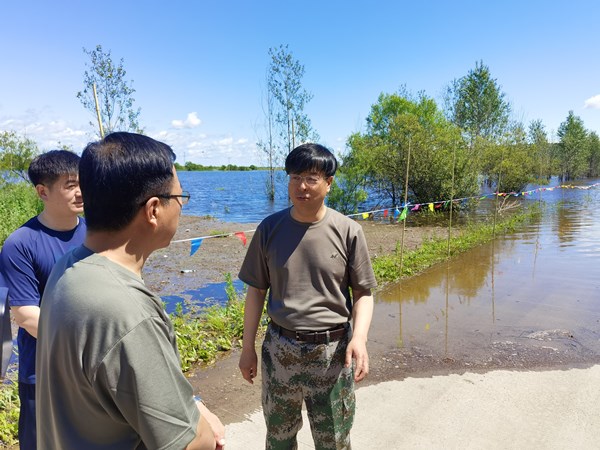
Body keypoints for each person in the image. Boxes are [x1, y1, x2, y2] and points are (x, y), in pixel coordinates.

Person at [36, 132, 225, 449]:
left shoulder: (69, 266)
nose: (182, 207)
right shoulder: (127, 312)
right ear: (154, 210)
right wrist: (205, 426)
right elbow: (190, 444)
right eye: (179, 197)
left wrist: (191, 405)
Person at [238, 143, 377, 449]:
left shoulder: (349, 231)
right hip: (280, 348)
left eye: (311, 178)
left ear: (329, 183)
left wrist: (360, 338)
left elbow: (363, 292)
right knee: (279, 439)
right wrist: (247, 348)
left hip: (332, 353)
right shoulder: (269, 229)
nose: (301, 186)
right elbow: (256, 291)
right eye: (295, 177)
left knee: (334, 441)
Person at [0, 150, 86, 450]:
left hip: (93, 371)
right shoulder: (20, 243)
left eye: (83, 182)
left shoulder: (98, 233)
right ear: (42, 192)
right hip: (44, 371)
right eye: (70, 185)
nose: (80, 191)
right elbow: (26, 316)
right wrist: (89, 341)